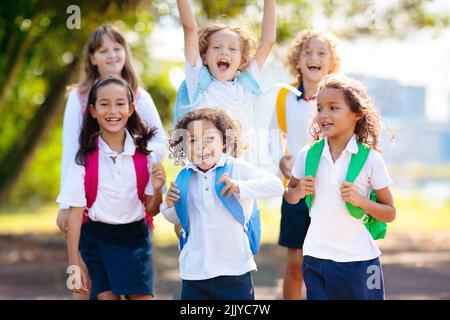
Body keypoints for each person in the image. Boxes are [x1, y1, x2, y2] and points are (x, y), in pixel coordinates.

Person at [284, 74, 396, 300]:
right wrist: (298, 192)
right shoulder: (308, 154)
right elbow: (289, 195)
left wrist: (362, 201)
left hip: (360, 261)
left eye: (333, 108)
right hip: (316, 258)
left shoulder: (370, 159)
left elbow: (390, 212)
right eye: (319, 108)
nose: (323, 114)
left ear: (356, 113)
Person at [58, 76, 166, 300]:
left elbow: (152, 209)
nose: (112, 110)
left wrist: (157, 189)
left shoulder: (145, 155)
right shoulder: (84, 159)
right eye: (104, 104)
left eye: (120, 103)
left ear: (130, 109)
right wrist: (74, 264)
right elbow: (76, 215)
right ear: (93, 110)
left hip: (135, 238)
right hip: (96, 239)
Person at [161, 107, 284, 300]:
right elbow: (174, 218)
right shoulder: (185, 177)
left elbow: (276, 186)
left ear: (224, 142)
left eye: (209, 138)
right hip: (195, 272)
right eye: (192, 140)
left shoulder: (236, 168)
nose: (201, 145)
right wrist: (168, 204)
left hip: (235, 269)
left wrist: (238, 187)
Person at [57, 24, 167, 233]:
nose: (112, 55)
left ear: (125, 52)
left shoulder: (140, 96)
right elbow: (70, 148)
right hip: (91, 188)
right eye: (103, 50)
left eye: (117, 48)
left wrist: (139, 158)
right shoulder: (79, 97)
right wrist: (65, 204)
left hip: (130, 189)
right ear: (92, 58)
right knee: (91, 253)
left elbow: (159, 140)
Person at [268, 29, 341, 299]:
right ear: (296, 61)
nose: (314, 57)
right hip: (297, 189)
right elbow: (274, 137)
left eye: (322, 52)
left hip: (332, 191)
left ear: (331, 63)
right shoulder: (283, 98)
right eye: (307, 52)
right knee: (296, 263)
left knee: (329, 264)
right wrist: (281, 162)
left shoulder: (340, 100)